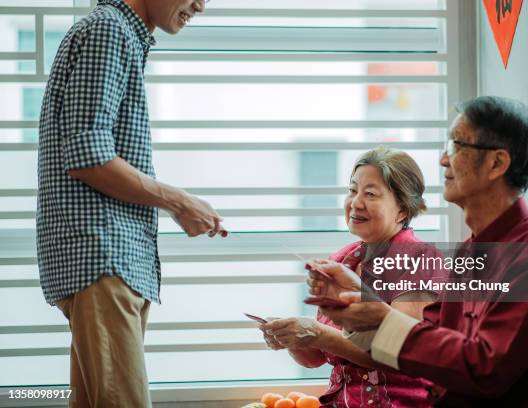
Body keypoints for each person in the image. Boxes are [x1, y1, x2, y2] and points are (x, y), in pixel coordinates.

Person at [310, 96, 528, 407]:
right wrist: (360, 300)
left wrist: (378, 321)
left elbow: (484, 369)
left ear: (497, 163)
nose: (444, 160)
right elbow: (432, 344)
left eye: (457, 146)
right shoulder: (470, 252)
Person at [36, 1, 223, 406]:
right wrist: (179, 202)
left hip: (109, 260)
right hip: (104, 258)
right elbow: (89, 157)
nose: (201, 6)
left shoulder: (120, 35)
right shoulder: (109, 31)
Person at [260, 147, 441, 407]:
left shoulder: (419, 260)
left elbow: (402, 352)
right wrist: (291, 337)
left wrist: (316, 333)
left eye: (370, 194)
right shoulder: (343, 259)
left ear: (402, 210)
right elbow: (316, 358)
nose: (355, 202)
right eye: (352, 190)